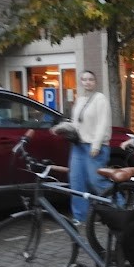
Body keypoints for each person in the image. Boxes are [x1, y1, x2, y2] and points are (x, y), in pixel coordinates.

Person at [51, 70, 111, 224]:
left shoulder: (100, 99)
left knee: (96, 181)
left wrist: (96, 145)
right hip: (78, 146)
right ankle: (81, 216)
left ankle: (120, 204)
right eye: (84, 79)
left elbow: (102, 124)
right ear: (81, 82)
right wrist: (61, 127)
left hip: (94, 146)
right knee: (76, 181)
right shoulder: (80, 100)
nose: (87, 82)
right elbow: (76, 123)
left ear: (95, 82)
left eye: (90, 79)